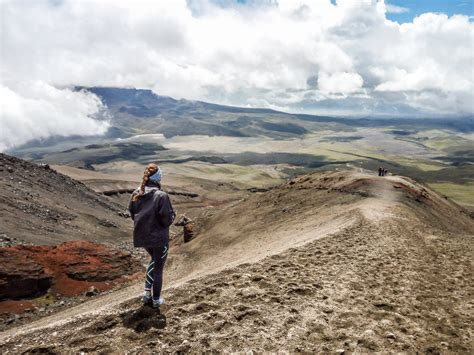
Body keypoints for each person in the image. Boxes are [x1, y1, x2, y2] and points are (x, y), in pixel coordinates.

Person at [129, 163, 175, 309]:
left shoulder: (136, 193)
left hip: (143, 237)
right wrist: (173, 216)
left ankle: (147, 294)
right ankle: (156, 300)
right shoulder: (161, 196)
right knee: (158, 268)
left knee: (154, 261)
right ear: (158, 178)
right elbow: (167, 220)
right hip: (159, 239)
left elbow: (132, 214)